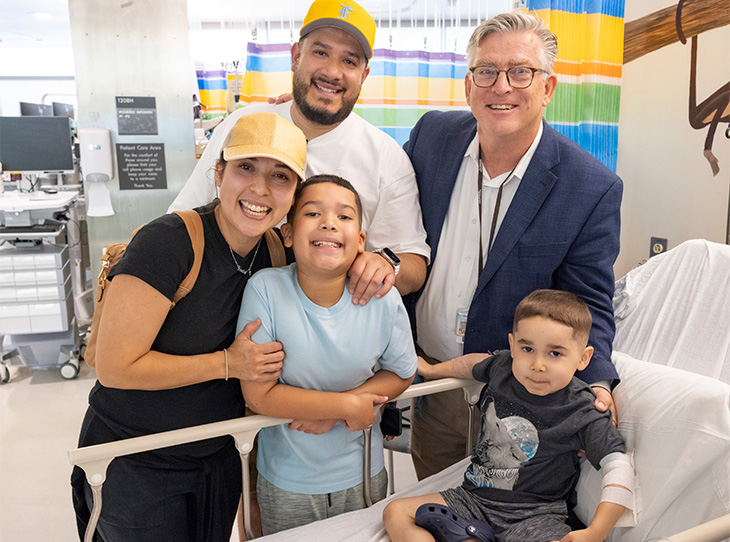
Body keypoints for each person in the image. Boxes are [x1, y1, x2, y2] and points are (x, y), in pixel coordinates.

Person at [403, 11, 624, 480]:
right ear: (468, 85)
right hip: (434, 385)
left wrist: (597, 379)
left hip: (521, 396)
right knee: (432, 511)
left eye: (520, 71)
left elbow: (587, 302)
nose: (502, 86)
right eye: (487, 71)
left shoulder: (590, 187)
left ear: (547, 88)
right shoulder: (431, 138)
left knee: (504, 516)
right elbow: (378, 203)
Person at [70, 112, 307, 542]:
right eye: (245, 168)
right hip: (135, 460)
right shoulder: (169, 242)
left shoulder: (277, 254)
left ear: (294, 195)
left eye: (280, 176)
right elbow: (115, 367)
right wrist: (226, 364)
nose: (260, 189)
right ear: (218, 173)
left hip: (218, 455)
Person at [170, 0, 430, 305]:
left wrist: (384, 266)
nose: (332, 71)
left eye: (349, 61)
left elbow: (414, 263)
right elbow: (183, 219)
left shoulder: (386, 156)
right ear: (295, 56)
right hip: (218, 319)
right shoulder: (246, 123)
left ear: (364, 74)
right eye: (320, 52)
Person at [236, 175, 417, 534]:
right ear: (287, 233)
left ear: (362, 241)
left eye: (345, 217)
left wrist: (340, 407)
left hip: (365, 470)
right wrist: (346, 409)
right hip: (288, 480)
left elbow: (401, 372)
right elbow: (259, 394)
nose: (329, 223)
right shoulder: (266, 290)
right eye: (313, 213)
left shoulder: (382, 297)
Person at [383, 289, 634, 542]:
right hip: (471, 499)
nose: (538, 364)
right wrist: (431, 369)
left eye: (555, 353)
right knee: (396, 512)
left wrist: (595, 533)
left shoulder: (582, 409)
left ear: (583, 358)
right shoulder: (504, 368)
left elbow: (619, 467)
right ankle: (470, 535)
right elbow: (472, 364)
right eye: (527, 349)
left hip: (534, 515)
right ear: (512, 345)